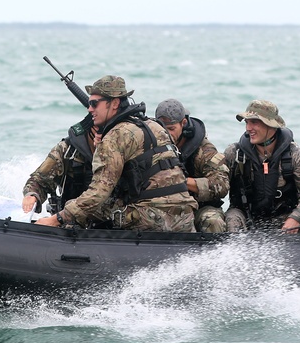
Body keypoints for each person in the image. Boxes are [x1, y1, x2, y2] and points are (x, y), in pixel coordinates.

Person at [35, 75, 198, 232]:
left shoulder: (115, 137)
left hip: (153, 219)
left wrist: (56, 219)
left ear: (114, 104)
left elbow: (98, 195)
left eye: (94, 103)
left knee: (77, 208)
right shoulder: (154, 127)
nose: (89, 108)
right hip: (185, 216)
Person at [223, 100, 300, 233]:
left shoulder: (295, 154)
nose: (248, 128)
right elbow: (218, 185)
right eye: (247, 122)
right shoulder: (235, 153)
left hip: (286, 219)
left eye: (254, 122)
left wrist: (296, 217)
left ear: (270, 125)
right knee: (229, 220)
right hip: (246, 217)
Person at [154, 99, 229, 233]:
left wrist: (181, 182)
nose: (166, 134)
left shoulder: (203, 150)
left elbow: (221, 185)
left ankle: (216, 253)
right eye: (162, 128)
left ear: (183, 123)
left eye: (171, 129)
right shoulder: (153, 145)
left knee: (213, 221)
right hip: (165, 207)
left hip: (200, 207)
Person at [21, 112, 109, 225]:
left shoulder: (123, 150)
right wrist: (32, 195)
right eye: (100, 132)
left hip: (112, 227)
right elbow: (39, 180)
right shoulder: (68, 151)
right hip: (68, 224)